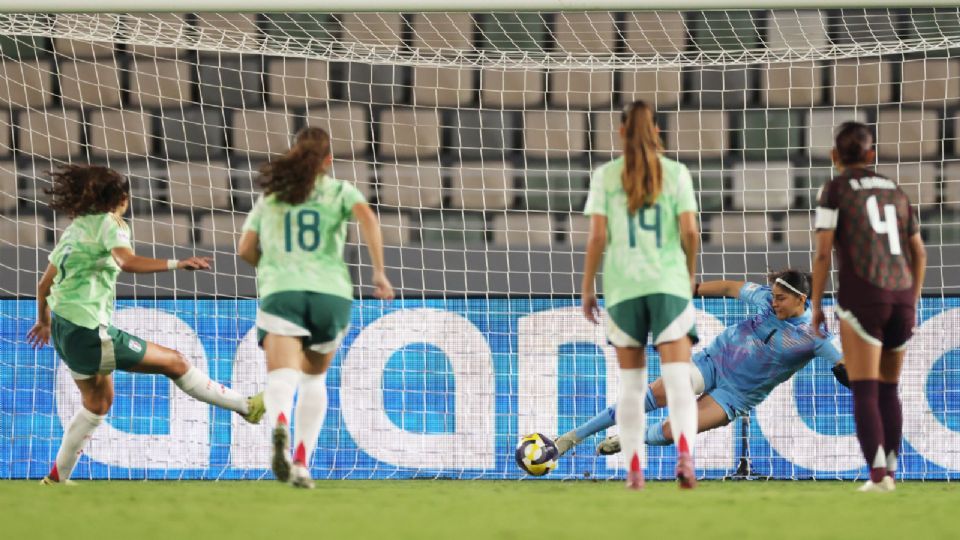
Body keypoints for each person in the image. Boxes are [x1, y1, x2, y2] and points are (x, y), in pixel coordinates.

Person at [27, 165, 264, 485]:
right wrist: (177, 263)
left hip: (64, 329)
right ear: (121, 199)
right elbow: (126, 261)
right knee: (175, 362)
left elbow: (44, 285)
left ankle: (56, 478)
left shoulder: (75, 229)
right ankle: (246, 407)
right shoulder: (110, 223)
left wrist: (43, 322)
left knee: (97, 403)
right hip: (89, 329)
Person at [238, 126, 394, 489]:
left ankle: (280, 424)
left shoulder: (272, 196)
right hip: (330, 294)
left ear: (295, 154)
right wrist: (379, 273)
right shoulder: (340, 190)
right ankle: (301, 463)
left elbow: (244, 249)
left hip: (283, 292)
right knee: (313, 378)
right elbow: (368, 219)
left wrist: (272, 266)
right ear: (328, 160)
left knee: (282, 376)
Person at [548, 273, 847, 459]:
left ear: (801, 299)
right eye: (774, 296)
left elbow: (844, 366)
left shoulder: (816, 336)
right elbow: (730, 287)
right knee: (646, 398)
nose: (774, 302)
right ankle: (569, 439)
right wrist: (695, 288)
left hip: (736, 396)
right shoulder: (766, 298)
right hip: (713, 362)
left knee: (673, 432)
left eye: (781, 299)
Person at [581, 100, 700, 490]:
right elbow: (690, 232)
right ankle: (685, 456)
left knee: (632, 386)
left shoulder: (605, 175)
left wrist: (587, 287)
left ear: (621, 132)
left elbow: (597, 237)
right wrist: (688, 274)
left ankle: (634, 469)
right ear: (657, 132)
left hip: (623, 288)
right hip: (668, 285)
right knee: (678, 380)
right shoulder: (676, 173)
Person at [811, 121, 926, 493]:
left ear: (835, 155)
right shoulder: (896, 190)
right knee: (890, 389)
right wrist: (913, 299)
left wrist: (816, 304)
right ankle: (889, 472)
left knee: (864, 389)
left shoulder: (834, 190)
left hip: (863, 296)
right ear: (871, 153)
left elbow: (823, 253)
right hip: (902, 296)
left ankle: (877, 477)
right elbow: (919, 252)